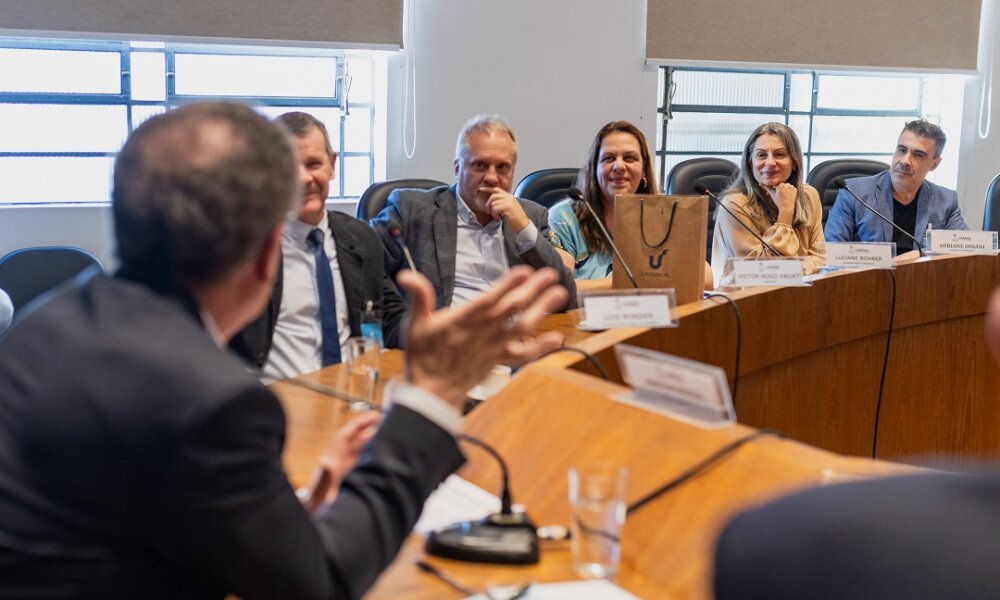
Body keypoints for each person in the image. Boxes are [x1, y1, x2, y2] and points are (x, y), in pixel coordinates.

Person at [0, 102, 568, 598]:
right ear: (270, 244)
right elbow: (320, 583)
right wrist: (430, 401)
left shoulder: (41, 322)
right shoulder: (213, 403)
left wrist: (276, 513)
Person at [229, 111, 404, 381]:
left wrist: (422, 328)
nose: (302, 179)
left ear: (332, 165)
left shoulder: (361, 237)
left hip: (354, 393)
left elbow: (387, 317)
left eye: (313, 164)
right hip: (281, 399)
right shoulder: (244, 248)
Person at [371, 113, 576, 310]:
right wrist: (399, 326)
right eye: (480, 165)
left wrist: (524, 229)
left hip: (514, 336)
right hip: (447, 337)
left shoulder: (530, 216)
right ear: (457, 169)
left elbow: (565, 298)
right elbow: (365, 267)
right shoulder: (413, 210)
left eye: (503, 167)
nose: (492, 178)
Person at [548, 120, 714, 292]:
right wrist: (642, 281)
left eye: (629, 158)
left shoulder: (663, 216)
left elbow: (706, 278)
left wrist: (637, 283)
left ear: (643, 170)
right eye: (609, 158)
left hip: (652, 317)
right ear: (594, 168)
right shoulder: (563, 218)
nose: (619, 166)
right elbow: (560, 290)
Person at [825, 120, 968, 253]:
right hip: (867, 278)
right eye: (902, 150)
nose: (905, 161)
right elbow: (832, 252)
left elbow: (965, 250)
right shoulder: (853, 193)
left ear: (934, 164)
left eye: (918, 155)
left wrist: (917, 256)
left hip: (922, 279)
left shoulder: (947, 201)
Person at [711, 122, 825, 284]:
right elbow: (763, 273)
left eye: (779, 154)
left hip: (799, 293)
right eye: (761, 155)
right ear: (750, 163)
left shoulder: (809, 196)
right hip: (744, 298)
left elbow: (820, 257)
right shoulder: (734, 204)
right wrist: (785, 212)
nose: (770, 163)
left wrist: (795, 270)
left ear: (795, 162)